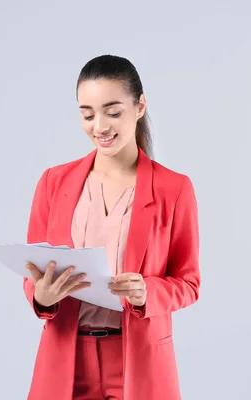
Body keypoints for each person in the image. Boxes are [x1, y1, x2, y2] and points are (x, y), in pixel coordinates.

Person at [22, 54, 200, 400]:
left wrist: (147, 291)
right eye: (87, 114)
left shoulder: (174, 189)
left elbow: (189, 283)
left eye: (113, 111)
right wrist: (41, 297)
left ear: (140, 106)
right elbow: (34, 272)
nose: (99, 126)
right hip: (66, 358)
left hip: (138, 359)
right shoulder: (53, 183)